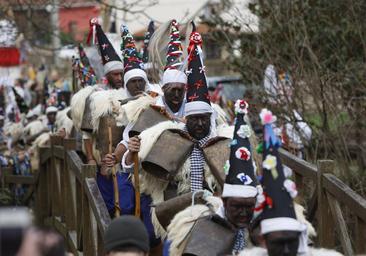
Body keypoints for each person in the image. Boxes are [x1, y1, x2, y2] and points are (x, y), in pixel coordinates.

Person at [163, 99, 259, 256]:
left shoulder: (224, 143)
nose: (200, 124)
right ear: (186, 119)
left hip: (221, 204)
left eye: (204, 119)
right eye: (194, 119)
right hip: (184, 209)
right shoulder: (173, 140)